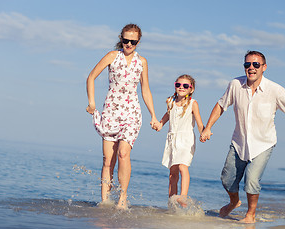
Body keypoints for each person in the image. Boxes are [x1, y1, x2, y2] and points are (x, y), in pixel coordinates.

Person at [200, 50, 285, 223]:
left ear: (264, 67)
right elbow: (221, 105)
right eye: (247, 64)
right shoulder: (235, 85)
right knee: (227, 179)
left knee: (251, 181)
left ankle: (250, 215)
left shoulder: (275, 90)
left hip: (263, 144)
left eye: (256, 64)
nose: (251, 68)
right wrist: (208, 127)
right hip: (239, 143)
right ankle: (234, 202)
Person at [86, 24, 159, 209]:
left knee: (123, 153)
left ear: (138, 42)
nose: (128, 44)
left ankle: (122, 198)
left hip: (132, 113)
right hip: (111, 111)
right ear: (121, 38)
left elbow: (146, 90)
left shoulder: (142, 62)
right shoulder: (112, 56)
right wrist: (92, 103)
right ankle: (104, 201)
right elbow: (91, 77)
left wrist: (153, 115)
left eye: (133, 42)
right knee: (107, 159)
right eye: (126, 40)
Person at [155, 74, 204, 207]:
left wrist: (203, 132)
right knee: (173, 173)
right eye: (178, 85)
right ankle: (172, 202)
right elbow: (167, 115)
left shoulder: (193, 104)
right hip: (172, 140)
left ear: (191, 89)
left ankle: (183, 196)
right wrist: (160, 124)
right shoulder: (171, 101)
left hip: (186, 139)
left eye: (185, 86)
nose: (181, 87)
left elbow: (199, 121)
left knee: (183, 166)